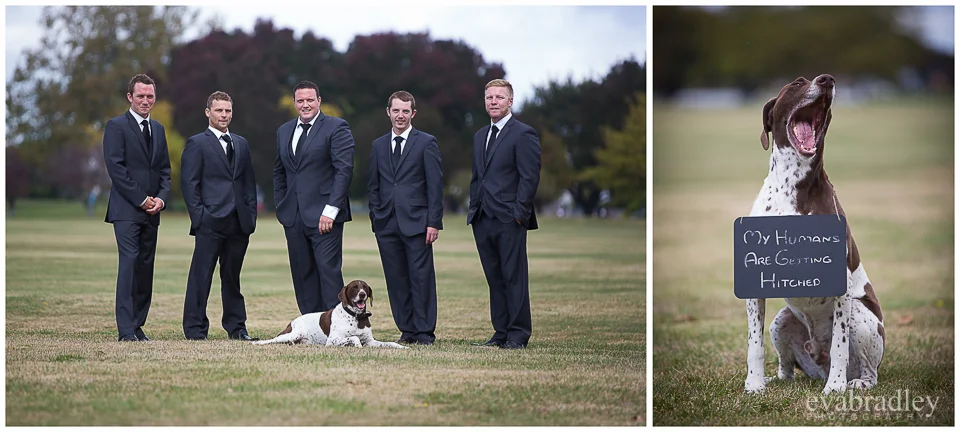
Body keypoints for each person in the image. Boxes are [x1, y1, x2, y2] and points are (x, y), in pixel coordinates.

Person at [468, 79, 541, 350]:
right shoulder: (479, 136)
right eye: (489, 97)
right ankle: (500, 334)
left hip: (510, 218)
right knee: (494, 278)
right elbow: (478, 178)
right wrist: (474, 207)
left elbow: (529, 177)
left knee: (514, 277)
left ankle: (518, 335)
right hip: (483, 218)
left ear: (510, 101)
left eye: (499, 97)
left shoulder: (523, 134)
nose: (494, 101)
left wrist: (519, 215)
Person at [180, 91, 259, 341]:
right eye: (219, 110)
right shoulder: (197, 143)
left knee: (232, 277)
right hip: (210, 221)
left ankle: (237, 328)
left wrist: (250, 215)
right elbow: (189, 184)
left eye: (227, 110)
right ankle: (195, 329)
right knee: (200, 277)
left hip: (239, 222)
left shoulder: (241, 143)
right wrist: (200, 217)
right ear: (208, 113)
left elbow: (248, 182)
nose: (224, 115)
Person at [367, 91, 443, 346]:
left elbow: (435, 186)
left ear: (413, 113)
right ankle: (407, 329)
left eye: (405, 111)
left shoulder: (426, 142)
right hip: (386, 224)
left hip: (418, 223)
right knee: (396, 279)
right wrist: (376, 217)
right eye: (396, 110)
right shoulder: (378, 145)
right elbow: (373, 185)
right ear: (388, 112)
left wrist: (434, 221)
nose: (400, 115)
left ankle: (424, 332)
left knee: (421, 278)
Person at [274, 80, 355, 314]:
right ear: (294, 103)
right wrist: (282, 206)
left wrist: (331, 210)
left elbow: (344, 170)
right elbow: (279, 172)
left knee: (328, 272)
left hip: (325, 217)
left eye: (310, 100)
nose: (305, 104)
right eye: (301, 100)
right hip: (293, 217)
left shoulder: (337, 127)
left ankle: (337, 328)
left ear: (319, 101)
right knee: (302, 274)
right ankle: (312, 328)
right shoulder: (284, 131)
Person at [102, 73, 171, 342]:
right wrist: (142, 199)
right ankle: (125, 329)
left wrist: (161, 199)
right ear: (130, 97)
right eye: (140, 96)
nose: (145, 100)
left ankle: (138, 324)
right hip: (126, 210)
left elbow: (165, 170)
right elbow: (116, 169)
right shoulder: (116, 126)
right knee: (129, 265)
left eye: (150, 96)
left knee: (145, 268)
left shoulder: (159, 130)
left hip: (153, 211)